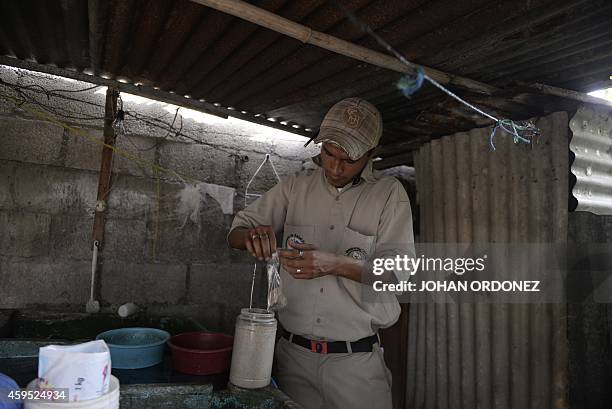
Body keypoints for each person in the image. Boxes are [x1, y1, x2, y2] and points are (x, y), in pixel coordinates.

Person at [228, 97, 414, 409]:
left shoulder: (389, 195)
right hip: (293, 359)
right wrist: (252, 236)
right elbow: (235, 233)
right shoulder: (295, 186)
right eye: (328, 153)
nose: (335, 167)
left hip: (355, 365)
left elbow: (398, 276)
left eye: (349, 159)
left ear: (372, 153)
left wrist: (337, 264)